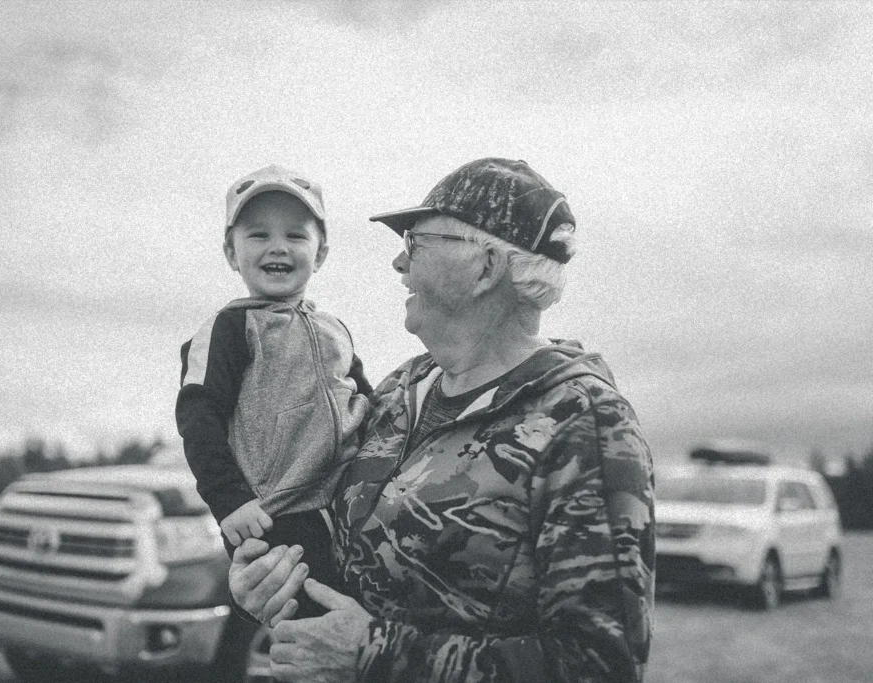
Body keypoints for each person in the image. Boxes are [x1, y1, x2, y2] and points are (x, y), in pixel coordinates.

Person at [228, 157, 655, 682]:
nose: (398, 265)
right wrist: (274, 586)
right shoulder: (398, 390)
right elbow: (341, 564)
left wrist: (375, 653)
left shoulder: (582, 423)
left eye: (416, 244)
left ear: (486, 268)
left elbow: (600, 666)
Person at [175, 164, 371, 617]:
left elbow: (368, 399)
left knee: (365, 625)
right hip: (276, 517)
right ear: (231, 252)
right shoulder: (228, 329)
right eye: (258, 235)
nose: (278, 247)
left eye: (296, 236)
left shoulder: (335, 329)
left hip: (351, 506)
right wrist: (230, 501)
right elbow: (198, 417)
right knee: (306, 626)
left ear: (320, 254)